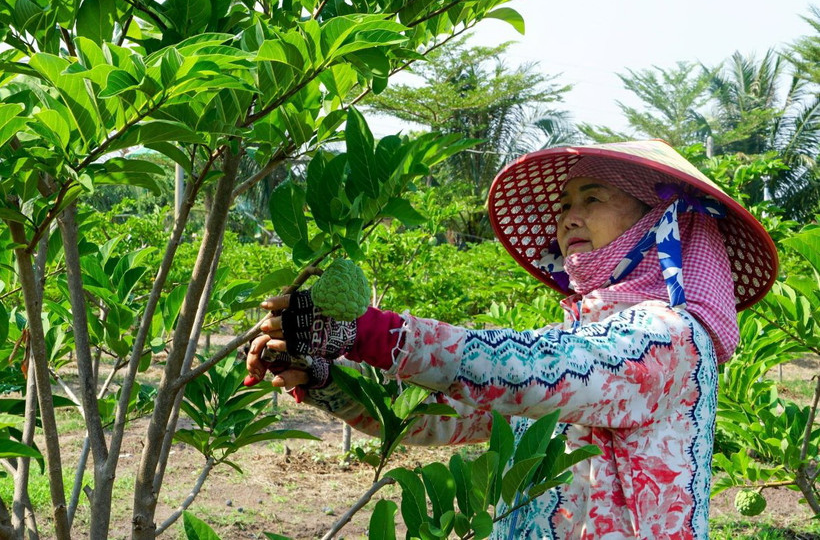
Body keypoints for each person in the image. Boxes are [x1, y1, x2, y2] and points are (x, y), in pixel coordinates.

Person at [244, 140, 778, 539]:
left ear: (659, 221)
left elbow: (527, 371)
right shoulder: (580, 333)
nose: (568, 216)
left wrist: (370, 333)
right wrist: (322, 376)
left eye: (591, 198)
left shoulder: (670, 337)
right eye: (566, 202)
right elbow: (440, 416)